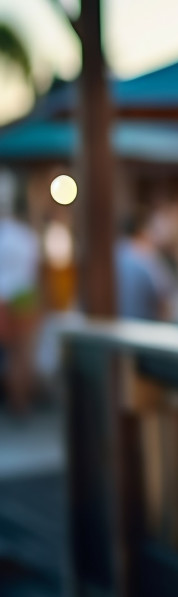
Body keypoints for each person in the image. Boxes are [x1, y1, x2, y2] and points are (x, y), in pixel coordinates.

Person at [0, 168, 41, 413]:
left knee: (16, 354)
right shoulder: (26, 235)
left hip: (5, 295)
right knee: (21, 354)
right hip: (24, 295)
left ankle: (17, 400)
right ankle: (21, 403)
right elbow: (34, 270)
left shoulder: (18, 235)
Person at [115, 207, 176, 322]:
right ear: (142, 231)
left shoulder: (112, 253)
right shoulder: (146, 256)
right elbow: (166, 302)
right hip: (140, 333)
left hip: (108, 331)